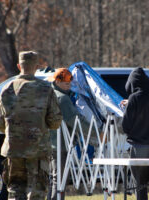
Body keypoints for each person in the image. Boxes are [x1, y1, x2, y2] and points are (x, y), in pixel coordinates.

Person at [0, 51, 63, 200]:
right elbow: (55, 122)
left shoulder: (6, 89)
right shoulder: (46, 89)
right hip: (38, 150)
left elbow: (0, 124)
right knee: (37, 193)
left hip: (13, 150)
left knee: (14, 192)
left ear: (19, 66)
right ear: (37, 67)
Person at [47, 68, 99, 200]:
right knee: (60, 181)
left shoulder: (49, 94)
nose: (68, 84)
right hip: (61, 145)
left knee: (53, 179)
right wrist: (98, 133)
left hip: (48, 144)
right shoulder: (63, 99)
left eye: (69, 81)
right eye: (65, 81)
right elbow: (76, 121)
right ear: (57, 81)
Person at [121, 67, 149, 200]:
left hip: (139, 147)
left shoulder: (134, 98)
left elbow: (126, 126)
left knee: (140, 186)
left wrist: (128, 107)